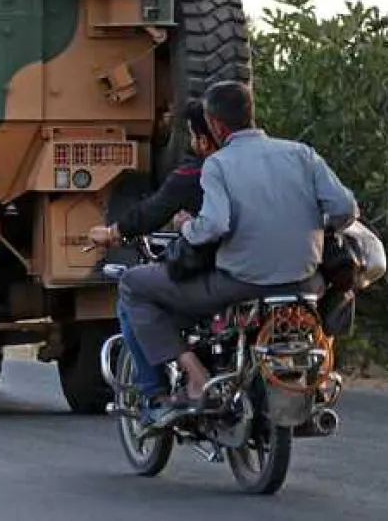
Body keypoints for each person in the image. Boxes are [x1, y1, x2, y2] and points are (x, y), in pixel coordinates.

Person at [114, 80, 358, 426]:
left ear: (215, 125)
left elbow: (213, 226)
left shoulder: (219, 165)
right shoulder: (301, 154)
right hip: (305, 283)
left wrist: (186, 226)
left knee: (132, 285)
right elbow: (345, 208)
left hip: (241, 283)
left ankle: (196, 376)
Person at [88, 99, 220, 407]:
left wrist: (112, 233)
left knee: (133, 288)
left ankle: (157, 395)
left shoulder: (201, 173)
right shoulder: (291, 159)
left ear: (204, 137)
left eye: (190, 134)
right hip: (294, 277)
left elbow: (153, 211)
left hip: (222, 278)